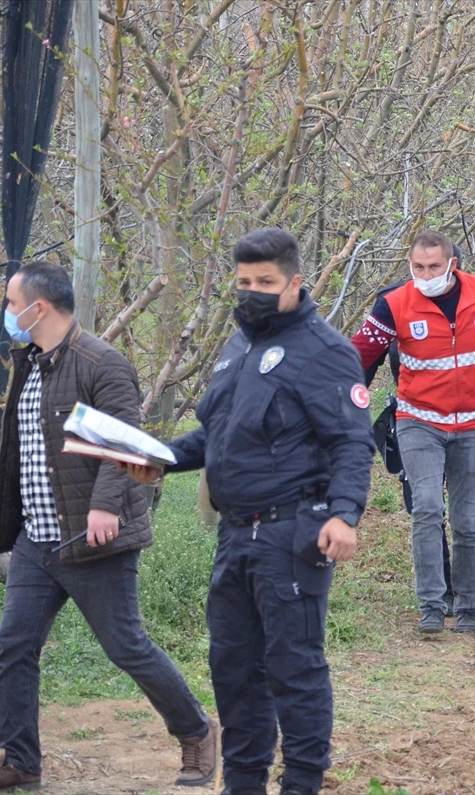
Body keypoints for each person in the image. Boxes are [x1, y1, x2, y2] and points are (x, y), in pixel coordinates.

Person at [124, 229, 374, 795]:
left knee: (294, 669)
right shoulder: (238, 346)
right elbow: (217, 435)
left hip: (291, 533)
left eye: (266, 282)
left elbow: (351, 442)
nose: (253, 292)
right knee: (233, 670)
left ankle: (303, 783)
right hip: (235, 535)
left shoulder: (325, 351)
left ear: (294, 283)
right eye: (244, 282)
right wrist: (161, 459)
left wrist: (344, 514)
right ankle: (242, 783)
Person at [0, 262, 217, 795]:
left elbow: (125, 441)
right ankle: (20, 761)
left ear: (39, 308)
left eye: (12, 304)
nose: (7, 313)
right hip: (37, 538)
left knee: (126, 646)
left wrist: (105, 506)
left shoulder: (103, 364)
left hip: (92, 538)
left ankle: (197, 731)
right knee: (14, 646)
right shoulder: (30, 365)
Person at [352, 230, 475, 635]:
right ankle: (432, 603)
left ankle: (468, 605)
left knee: (467, 520)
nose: (425, 275)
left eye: (433, 267)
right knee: (427, 510)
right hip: (419, 421)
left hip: (474, 422)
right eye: (418, 267)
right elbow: (356, 354)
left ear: (452, 264)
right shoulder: (394, 304)